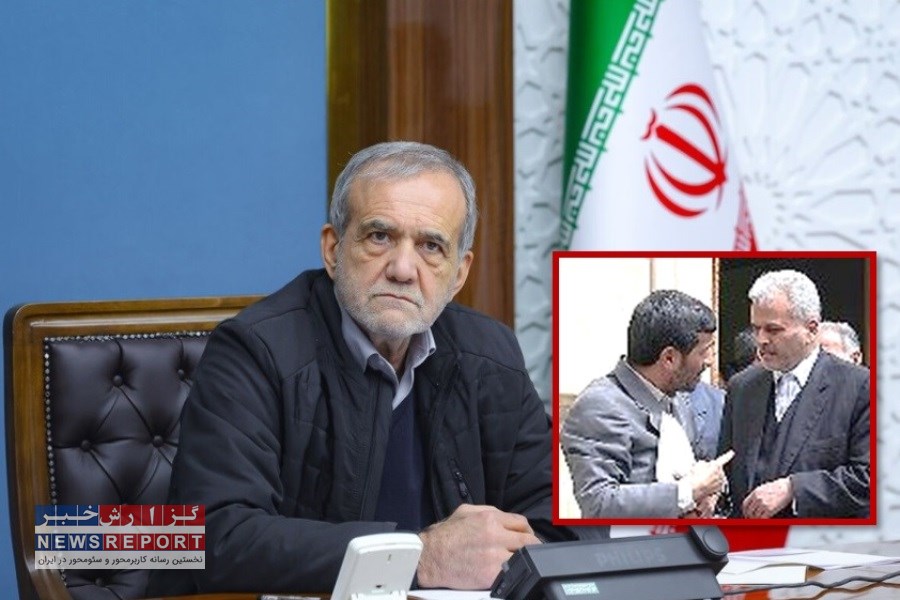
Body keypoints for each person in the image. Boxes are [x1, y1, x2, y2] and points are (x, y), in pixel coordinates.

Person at [148, 141, 589, 595]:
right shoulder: (253, 351)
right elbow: (216, 538)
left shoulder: (490, 354)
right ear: (333, 249)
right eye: (380, 236)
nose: (402, 269)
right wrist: (419, 555)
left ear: (459, 273)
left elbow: (564, 523)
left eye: (431, 246)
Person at [560, 290, 732, 518]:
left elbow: (692, 475)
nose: (710, 361)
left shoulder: (678, 396)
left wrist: (709, 490)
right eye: (704, 351)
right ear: (669, 358)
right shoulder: (599, 406)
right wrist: (688, 491)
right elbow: (599, 503)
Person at [718, 270, 870, 518]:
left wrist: (794, 489)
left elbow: (870, 479)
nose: (761, 340)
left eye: (773, 330)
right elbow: (728, 469)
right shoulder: (742, 387)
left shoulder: (859, 386)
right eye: (756, 329)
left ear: (811, 329)